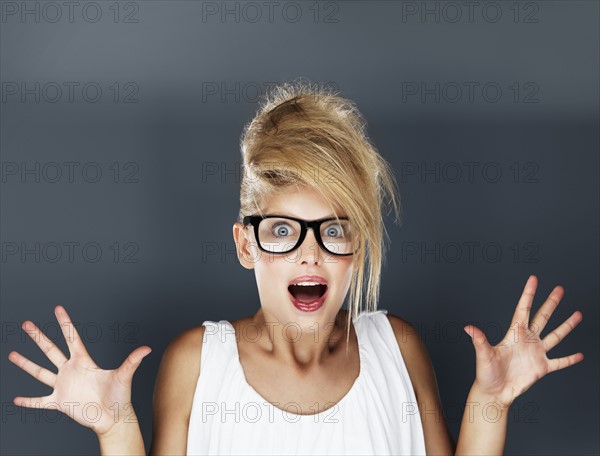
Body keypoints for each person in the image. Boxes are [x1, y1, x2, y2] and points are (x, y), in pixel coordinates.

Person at [8, 80, 584, 455]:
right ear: (245, 245)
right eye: (282, 231)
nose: (310, 254)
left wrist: (491, 402)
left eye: (334, 230)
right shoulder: (197, 363)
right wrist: (115, 429)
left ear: (357, 247)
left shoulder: (398, 349)